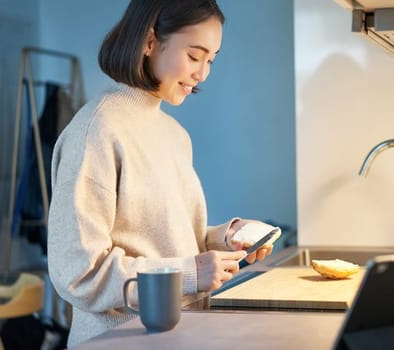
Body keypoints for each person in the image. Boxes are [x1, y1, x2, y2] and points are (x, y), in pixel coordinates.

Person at [47, 0, 274, 345]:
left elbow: (160, 236)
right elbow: (79, 273)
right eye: (195, 56)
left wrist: (224, 238)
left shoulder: (174, 134)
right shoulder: (97, 130)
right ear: (150, 42)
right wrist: (191, 273)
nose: (203, 74)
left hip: (178, 335)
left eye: (211, 59)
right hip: (120, 341)